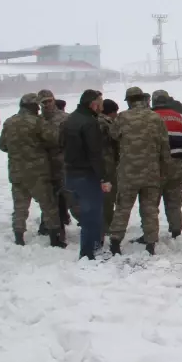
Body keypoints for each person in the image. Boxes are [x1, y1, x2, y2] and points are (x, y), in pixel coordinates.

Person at [109, 87, 171, 256]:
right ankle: (150, 244)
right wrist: (165, 170)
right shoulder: (155, 118)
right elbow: (165, 147)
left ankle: (115, 242)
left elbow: (113, 135)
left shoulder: (122, 117)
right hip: (151, 172)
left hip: (128, 173)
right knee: (150, 209)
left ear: (129, 100)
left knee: (123, 208)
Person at [0, 93, 62, 247]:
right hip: (37, 172)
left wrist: (17, 150)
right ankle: (54, 237)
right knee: (48, 205)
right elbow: (54, 139)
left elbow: (2, 145)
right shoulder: (38, 122)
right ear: (34, 106)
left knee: (20, 207)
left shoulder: (9, 122)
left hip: (16, 171)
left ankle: (19, 236)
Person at [61, 90, 112, 259]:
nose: (102, 106)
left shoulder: (70, 119)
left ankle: (91, 249)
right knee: (92, 216)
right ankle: (89, 252)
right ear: (93, 104)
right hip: (87, 175)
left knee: (85, 214)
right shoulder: (90, 123)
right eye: (100, 102)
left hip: (71, 173)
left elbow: (60, 144)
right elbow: (95, 153)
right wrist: (104, 177)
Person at [151, 89, 182, 238]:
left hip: (157, 165)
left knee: (151, 202)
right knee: (174, 199)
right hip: (178, 164)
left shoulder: (150, 118)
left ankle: (151, 233)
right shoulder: (181, 117)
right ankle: (176, 228)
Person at [37, 89, 76, 233]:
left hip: (64, 165)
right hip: (46, 166)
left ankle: (90, 227)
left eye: (49, 101)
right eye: (44, 102)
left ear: (54, 100)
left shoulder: (66, 118)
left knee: (72, 198)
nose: (47, 105)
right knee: (48, 199)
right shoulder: (38, 120)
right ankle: (49, 226)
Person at [97, 99, 121, 240]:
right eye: (115, 112)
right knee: (108, 196)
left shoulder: (95, 120)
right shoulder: (106, 123)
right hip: (107, 164)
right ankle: (106, 225)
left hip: (99, 164)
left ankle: (105, 223)